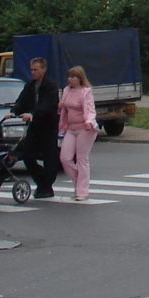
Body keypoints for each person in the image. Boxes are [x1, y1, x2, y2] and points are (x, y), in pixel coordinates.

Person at [11, 57, 61, 198]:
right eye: (31, 69)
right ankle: (41, 181)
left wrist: (33, 113)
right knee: (26, 154)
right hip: (34, 126)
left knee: (49, 157)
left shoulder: (50, 86)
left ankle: (46, 186)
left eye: (35, 69)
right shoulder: (30, 85)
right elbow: (21, 101)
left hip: (48, 126)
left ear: (43, 69)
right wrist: (14, 112)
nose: (32, 72)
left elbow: (47, 105)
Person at [57, 66, 99, 201]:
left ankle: (82, 191)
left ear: (80, 78)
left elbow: (90, 109)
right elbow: (64, 109)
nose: (69, 79)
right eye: (69, 76)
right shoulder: (66, 90)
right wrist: (61, 107)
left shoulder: (85, 92)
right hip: (70, 128)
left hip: (84, 129)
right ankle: (78, 182)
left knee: (81, 159)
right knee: (65, 158)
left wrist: (89, 121)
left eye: (73, 77)